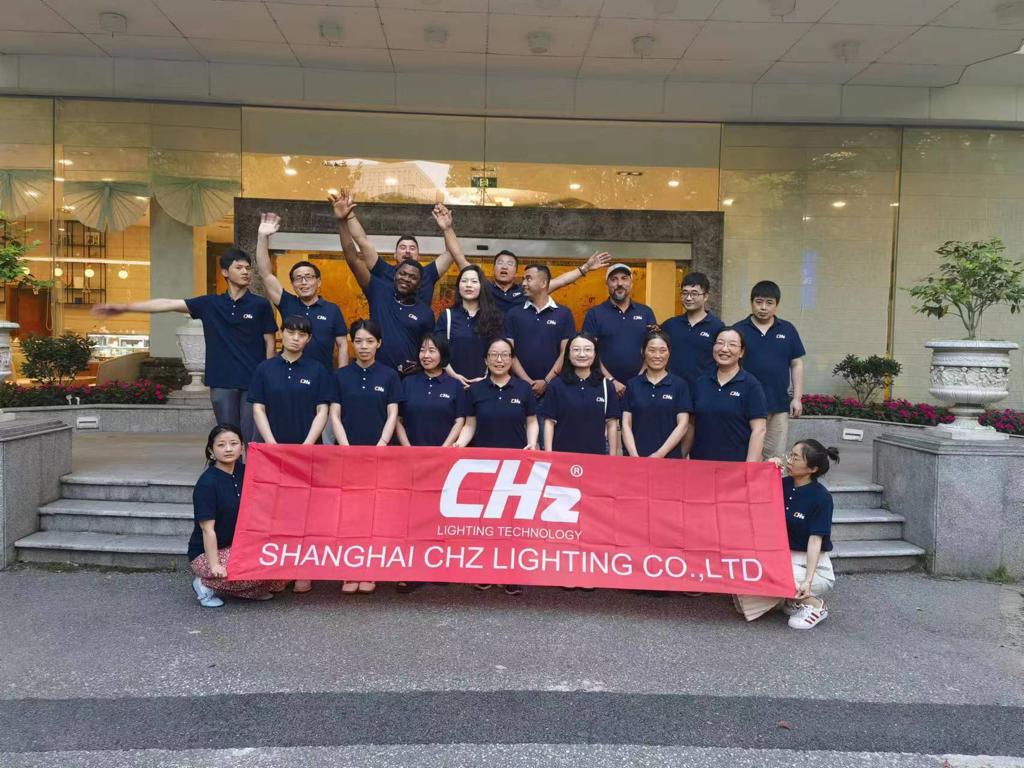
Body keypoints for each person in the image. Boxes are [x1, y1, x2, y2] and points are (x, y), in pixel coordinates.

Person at [92, 249, 276, 442]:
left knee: (253, 439)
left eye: (247, 268)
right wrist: (124, 307)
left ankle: (254, 464)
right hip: (221, 380)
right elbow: (168, 303)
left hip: (253, 380)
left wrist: (267, 377)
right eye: (239, 267)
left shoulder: (260, 305)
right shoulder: (210, 304)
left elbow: (269, 343)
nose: (245, 272)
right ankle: (232, 463)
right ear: (225, 272)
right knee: (228, 437)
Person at [455, 337, 538, 598]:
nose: (499, 360)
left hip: (516, 466)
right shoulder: (475, 391)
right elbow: (470, 425)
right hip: (483, 466)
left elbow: (532, 421)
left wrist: (532, 443)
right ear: (486, 359)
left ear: (512, 360)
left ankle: (511, 574)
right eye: (494, 355)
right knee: (486, 521)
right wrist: (459, 444)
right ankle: (485, 570)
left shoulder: (523, 389)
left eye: (504, 355)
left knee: (513, 521)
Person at [330, 319, 404, 595]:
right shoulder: (340, 375)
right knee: (349, 513)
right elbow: (334, 415)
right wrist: (346, 446)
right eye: (359, 341)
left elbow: (393, 414)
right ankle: (350, 568)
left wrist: (382, 444)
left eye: (370, 341)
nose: (364, 346)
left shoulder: (389, 376)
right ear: (352, 342)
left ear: (379, 343)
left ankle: (371, 567)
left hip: (381, 454)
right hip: (347, 453)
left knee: (376, 512)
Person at [432, 203, 611, 315]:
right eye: (500, 263)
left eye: (509, 264)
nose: (504, 266)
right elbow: (460, 259)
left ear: (516, 271)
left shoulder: (526, 290)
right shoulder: (484, 286)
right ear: (493, 269)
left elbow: (561, 281)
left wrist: (585, 268)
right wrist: (447, 228)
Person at [734, 439, 838, 630]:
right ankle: (790, 599)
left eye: (796, 458)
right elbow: (749, 493)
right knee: (743, 601)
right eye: (790, 455)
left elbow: (815, 540)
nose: (789, 460)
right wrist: (766, 470)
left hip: (811, 567)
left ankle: (815, 604)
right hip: (780, 556)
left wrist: (808, 580)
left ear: (812, 469)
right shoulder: (782, 483)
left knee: (769, 574)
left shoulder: (821, 498)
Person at [331, 192, 434, 372]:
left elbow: (429, 349)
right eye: (402, 274)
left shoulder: (425, 313)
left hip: (411, 380)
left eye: (413, 277)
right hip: (376, 375)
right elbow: (353, 258)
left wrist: (419, 367)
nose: (406, 278)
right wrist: (342, 221)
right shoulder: (378, 290)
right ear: (394, 274)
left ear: (419, 284)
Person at [188, 424, 287, 607]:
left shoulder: (246, 472)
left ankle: (250, 590)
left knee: (282, 568)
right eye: (221, 445)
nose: (228, 449)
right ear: (211, 451)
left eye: (233, 443)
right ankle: (204, 583)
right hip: (208, 553)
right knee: (254, 569)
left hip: (241, 546)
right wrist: (215, 564)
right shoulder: (207, 484)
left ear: (242, 448)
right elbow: (207, 530)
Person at [255, 212, 348, 370]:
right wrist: (262, 237)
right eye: (298, 278)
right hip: (288, 375)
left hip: (322, 377)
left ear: (318, 282)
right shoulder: (287, 302)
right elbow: (266, 274)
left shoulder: (332, 310)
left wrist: (342, 376)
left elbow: (343, 344)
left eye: (308, 277)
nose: (303, 282)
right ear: (293, 284)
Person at [734, 280, 805, 459]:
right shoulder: (738, 330)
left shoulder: (788, 329)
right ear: (751, 302)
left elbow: (796, 364)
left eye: (769, 303)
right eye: (758, 302)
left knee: (775, 458)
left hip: (777, 405)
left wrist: (797, 398)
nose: (763, 307)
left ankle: (770, 480)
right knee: (745, 455)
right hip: (744, 405)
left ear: (776, 305)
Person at [341, 194, 454, 305]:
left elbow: (451, 253)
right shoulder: (383, 271)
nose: (407, 251)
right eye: (402, 247)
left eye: (412, 248)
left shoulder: (427, 274)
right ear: (394, 255)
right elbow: (362, 241)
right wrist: (349, 214)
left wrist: (447, 228)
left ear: (418, 256)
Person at [685, 327, 768, 462]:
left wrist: (749, 467)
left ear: (741, 352)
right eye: (720, 343)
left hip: (736, 465)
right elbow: (691, 424)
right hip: (701, 463)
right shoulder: (701, 383)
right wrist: (682, 456)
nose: (724, 349)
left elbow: (759, 430)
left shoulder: (751, 385)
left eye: (732, 345)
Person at [249, 315, 333, 447]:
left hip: (309, 447)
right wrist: (272, 444)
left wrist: (308, 444)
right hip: (272, 446)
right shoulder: (264, 369)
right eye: (290, 332)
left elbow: (322, 410)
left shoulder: (318, 370)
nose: (296, 338)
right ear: (281, 333)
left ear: (308, 338)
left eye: (302, 335)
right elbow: (258, 408)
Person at [504, 265, 576, 405]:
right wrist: (528, 382)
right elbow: (508, 352)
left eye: (528, 279)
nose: (523, 283)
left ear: (543, 283)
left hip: (554, 388)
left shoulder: (564, 313)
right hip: (518, 388)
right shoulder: (513, 313)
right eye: (523, 279)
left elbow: (566, 352)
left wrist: (547, 381)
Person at [581, 264, 656, 398]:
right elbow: (589, 352)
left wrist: (638, 380)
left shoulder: (646, 313)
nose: (619, 283)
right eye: (614, 279)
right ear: (607, 284)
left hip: (641, 386)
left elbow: (653, 348)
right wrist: (611, 381)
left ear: (631, 283)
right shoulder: (594, 314)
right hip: (603, 386)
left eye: (624, 278)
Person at [542, 332, 621, 456]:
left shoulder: (606, 386)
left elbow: (611, 424)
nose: (582, 354)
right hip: (562, 457)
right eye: (576, 350)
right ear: (568, 354)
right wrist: (548, 455)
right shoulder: (556, 385)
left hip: (596, 457)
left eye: (588, 349)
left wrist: (612, 457)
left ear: (595, 354)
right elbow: (549, 423)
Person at [622, 329, 692, 459]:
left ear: (669, 352)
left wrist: (660, 454)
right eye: (652, 350)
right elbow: (626, 424)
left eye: (662, 350)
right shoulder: (632, 385)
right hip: (635, 458)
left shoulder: (679, 385)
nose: (657, 356)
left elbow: (683, 425)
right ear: (643, 352)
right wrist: (634, 456)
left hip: (668, 459)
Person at [435, 264, 505, 386]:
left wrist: (486, 377)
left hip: (485, 384)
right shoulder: (447, 316)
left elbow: (499, 351)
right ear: (458, 286)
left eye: (474, 281)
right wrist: (454, 376)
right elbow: (439, 350)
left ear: (481, 286)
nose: (468, 285)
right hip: (451, 383)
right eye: (464, 281)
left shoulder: (493, 317)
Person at [396, 333, 468, 448]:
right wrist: (407, 448)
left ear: (443, 353)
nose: (426, 355)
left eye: (432, 351)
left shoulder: (455, 385)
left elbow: (459, 421)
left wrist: (444, 449)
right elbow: (398, 419)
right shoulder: (407, 382)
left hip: (444, 452)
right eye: (422, 350)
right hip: (410, 452)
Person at [661, 272, 726, 392]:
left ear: (706, 296)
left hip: (704, 391)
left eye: (694, 293)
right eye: (685, 293)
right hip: (672, 390)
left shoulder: (717, 327)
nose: (688, 298)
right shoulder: (670, 325)